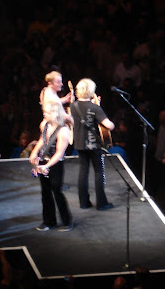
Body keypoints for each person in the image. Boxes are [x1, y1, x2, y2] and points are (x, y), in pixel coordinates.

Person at [70, 78, 115, 210]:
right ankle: (101, 203)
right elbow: (109, 126)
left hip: (79, 142)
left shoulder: (73, 106)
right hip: (94, 145)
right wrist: (98, 107)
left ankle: (84, 203)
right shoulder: (94, 107)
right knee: (98, 172)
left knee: (83, 171)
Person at [29, 102, 73, 231]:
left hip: (56, 163)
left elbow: (59, 153)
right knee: (45, 192)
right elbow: (43, 139)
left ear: (54, 114)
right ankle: (49, 221)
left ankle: (66, 222)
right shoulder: (45, 125)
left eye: (47, 112)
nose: (44, 114)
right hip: (44, 161)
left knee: (57, 191)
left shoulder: (63, 130)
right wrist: (35, 152)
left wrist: (47, 165)